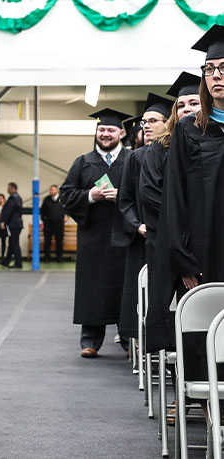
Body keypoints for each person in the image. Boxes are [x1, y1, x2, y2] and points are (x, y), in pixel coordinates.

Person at [160, 25, 224, 381]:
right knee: (206, 337)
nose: (216, 76)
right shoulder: (190, 130)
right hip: (205, 253)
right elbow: (176, 200)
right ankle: (213, 413)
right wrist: (183, 259)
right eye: (210, 69)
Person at [60, 108, 130, 359]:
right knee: (93, 287)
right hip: (93, 237)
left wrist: (120, 195)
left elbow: (145, 193)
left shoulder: (133, 160)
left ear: (121, 132)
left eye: (111, 130)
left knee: (126, 285)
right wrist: (91, 195)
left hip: (125, 234)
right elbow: (66, 195)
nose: (105, 134)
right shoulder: (83, 162)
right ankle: (90, 340)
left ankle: (128, 339)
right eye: (101, 130)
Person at [144, 72, 201, 354]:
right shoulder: (159, 148)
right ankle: (185, 385)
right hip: (171, 242)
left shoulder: (212, 141)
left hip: (206, 241)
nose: (187, 109)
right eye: (181, 105)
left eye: (194, 102)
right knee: (180, 319)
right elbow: (156, 197)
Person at [113, 93, 173, 352]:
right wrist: (137, 224)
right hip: (144, 238)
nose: (146, 125)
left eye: (153, 120)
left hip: (172, 237)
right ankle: (138, 342)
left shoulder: (178, 152)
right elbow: (124, 201)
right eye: (144, 121)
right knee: (143, 294)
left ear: (167, 122)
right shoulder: (135, 158)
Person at [0, 182, 23, 269]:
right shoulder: (18, 197)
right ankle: (6, 261)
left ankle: (18, 263)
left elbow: (8, 210)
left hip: (14, 224)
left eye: (8, 188)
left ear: (13, 188)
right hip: (16, 223)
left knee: (14, 243)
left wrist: (3, 221)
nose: (7, 189)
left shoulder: (13, 198)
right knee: (12, 243)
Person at [40, 185, 65, 262]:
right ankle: (47, 257)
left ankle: (59, 257)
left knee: (59, 241)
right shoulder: (46, 199)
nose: (50, 191)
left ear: (57, 190)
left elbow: (67, 208)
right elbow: (42, 211)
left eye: (52, 189)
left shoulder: (62, 199)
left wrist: (67, 216)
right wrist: (44, 219)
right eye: (50, 189)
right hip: (48, 224)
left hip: (59, 224)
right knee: (47, 241)